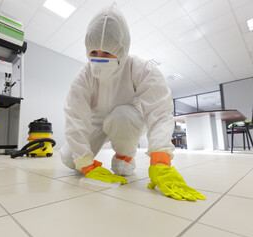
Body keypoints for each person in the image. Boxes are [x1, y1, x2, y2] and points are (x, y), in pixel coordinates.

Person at [60, 3, 205, 201]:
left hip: (127, 119)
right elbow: (75, 115)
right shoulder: (83, 76)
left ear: (121, 49)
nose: (98, 59)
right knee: (70, 159)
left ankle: (124, 157)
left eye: (106, 53)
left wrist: (161, 159)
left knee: (122, 119)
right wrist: (85, 163)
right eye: (93, 52)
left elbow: (159, 112)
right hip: (95, 121)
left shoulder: (142, 70)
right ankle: (86, 159)